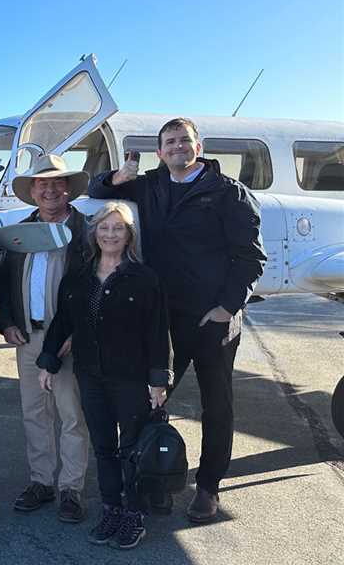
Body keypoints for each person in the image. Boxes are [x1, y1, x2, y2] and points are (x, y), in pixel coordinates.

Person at [88, 118, 266, 522]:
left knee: (216, 405)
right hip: (163, 317)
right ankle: (157, 478)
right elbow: (98, 189)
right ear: (160, 151)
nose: (177, 148)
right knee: (152, 400)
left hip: (212, 319)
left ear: (198, 147)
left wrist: (226, 307)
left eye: (184, 141)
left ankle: (208, 486)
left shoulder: (227, 193)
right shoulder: (151, 184)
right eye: (169, 143)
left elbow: (251, 257)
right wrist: (119, 175)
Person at [37, 202, 172, 549]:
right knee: (103, 447)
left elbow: (157, 331)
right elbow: (62, 323)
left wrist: (159, 380)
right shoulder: (78, 278)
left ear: (129, 236)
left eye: (118, 228)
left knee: (131, 448)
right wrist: (48, 361)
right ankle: (112, 508)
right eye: (104, 227)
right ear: (94, 233)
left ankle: (134, 514)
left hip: (129, 376)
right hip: (90, 374)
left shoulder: (145, 279)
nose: (111, 234)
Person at [0, 153, 91, 520]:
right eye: (42, 184)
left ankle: (71, 488)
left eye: (56, 183)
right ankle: (41, 481)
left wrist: (76, 334)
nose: (49, 190)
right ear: (33, 191)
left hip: (66, 337)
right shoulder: (22, 231)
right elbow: (5, 283)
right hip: (29, 337)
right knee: (34, 412)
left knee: (70, 414)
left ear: (67, 188)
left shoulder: (85, 231)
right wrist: (6, 322)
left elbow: (93, 287)